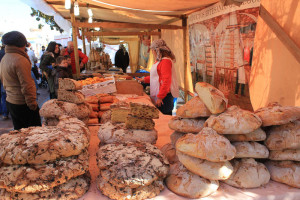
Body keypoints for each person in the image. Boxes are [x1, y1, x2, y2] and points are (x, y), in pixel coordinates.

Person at [0, 31, 41, 130]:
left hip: (11, 101)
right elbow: (27, 85)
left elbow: (3, 80)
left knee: (19, 133)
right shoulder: (20, 59)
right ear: (22, 44)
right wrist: (32, 104)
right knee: (34, 133)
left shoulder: (5, 58)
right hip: (23, 103)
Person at [137, 39, 179, 115]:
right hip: (161, 95)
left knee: (164, 119)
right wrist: (144, 79)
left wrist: (160, 97)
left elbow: (166, 81)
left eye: (152, 50)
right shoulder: (160, 61)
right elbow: (157, 77)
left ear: (157, 51)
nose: (152, 53)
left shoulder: (165, 61)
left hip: (165, 97)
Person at [0, 44, 9, 120]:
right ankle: (5, 113)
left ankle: (4, 113)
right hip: (5, 77)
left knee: (3, 96)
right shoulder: (6, 54)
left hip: (2, 77)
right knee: (5, 95)